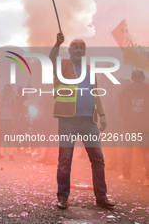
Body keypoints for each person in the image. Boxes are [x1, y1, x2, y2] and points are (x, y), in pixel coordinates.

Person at [49, 32, 115, 209]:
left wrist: (102, 115)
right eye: (75, 46)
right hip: (67, 121)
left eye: (82, 47)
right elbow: (52, 58)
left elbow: (96, 94)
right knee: (65, 160)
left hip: (89, 122)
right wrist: (57, 43)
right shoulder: (63, 65)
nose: (79, 49)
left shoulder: (89, 70)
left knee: (98, 159)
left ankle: (101, 196)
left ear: (85, 51)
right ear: (69, 50)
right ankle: (62, 197)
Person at [117, 70, 149, 186]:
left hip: (129, 126)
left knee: (127, 151)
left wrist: (123, 120)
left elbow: (120, 110)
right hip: (145, 125)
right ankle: (148, 178)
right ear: (144, 77)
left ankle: (126, 176)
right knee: (146, 152)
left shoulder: (124, 90)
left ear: (132, 78)